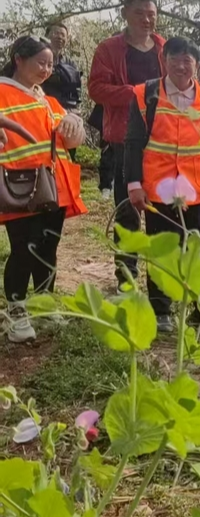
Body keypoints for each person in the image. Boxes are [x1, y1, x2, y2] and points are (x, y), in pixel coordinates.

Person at [124, 37, 200, 334]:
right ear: (164, 60)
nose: (181, 66)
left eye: (187, 61)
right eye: (174, 60)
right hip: (159, 188)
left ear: (196, 64)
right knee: (161, 249)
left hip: (198, 188)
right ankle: (161, 309)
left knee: (199, 247)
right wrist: (134, 184)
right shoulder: (146, 95)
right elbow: (132, 143)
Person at [1, 37, 88, 343]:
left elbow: (72, 140)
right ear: (18, 59)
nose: (46, 70)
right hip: (17, 188)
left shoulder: (48, 100)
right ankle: (17, 313)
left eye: (50, 64)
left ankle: (43, 305)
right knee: (24, 249)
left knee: (47, 248)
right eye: (40, 62)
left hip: (52, 189)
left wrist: (75, 125)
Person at [88, 0, 165, 287]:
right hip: (123, 140)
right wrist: (137, 94)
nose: (147, 20)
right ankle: (127, 279)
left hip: (161, 142)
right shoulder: (109, 49)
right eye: (139, 14)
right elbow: (96, 89)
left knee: (162, 210)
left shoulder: (163, 48)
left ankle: (161, 282)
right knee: (128, 212)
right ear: (125, 14)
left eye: (151, 14)